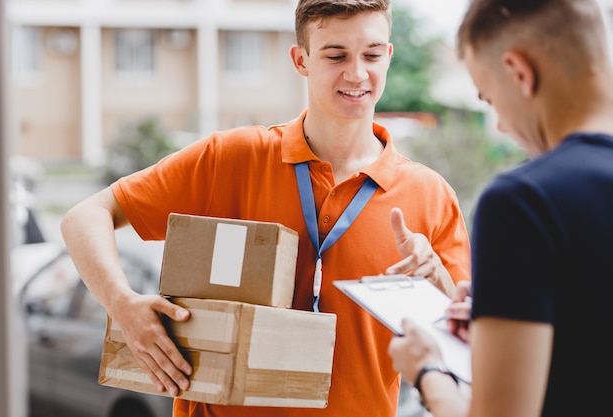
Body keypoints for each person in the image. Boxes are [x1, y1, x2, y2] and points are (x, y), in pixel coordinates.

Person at [61, 1, 471, 416]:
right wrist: (122, 304)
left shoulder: (430, 195)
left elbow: (468, 344)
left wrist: (435, 278)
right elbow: (85, 217)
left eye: (372, 54)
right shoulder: (232, 157)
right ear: (301, 60)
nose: (357, 73)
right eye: (336, 55)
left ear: (389, 56)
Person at [388, 1, 613, 416]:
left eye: (489, 99)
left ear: (519, 73)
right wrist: (517, 314)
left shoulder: (523, 203)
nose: (503, 127)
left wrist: (426, 371)